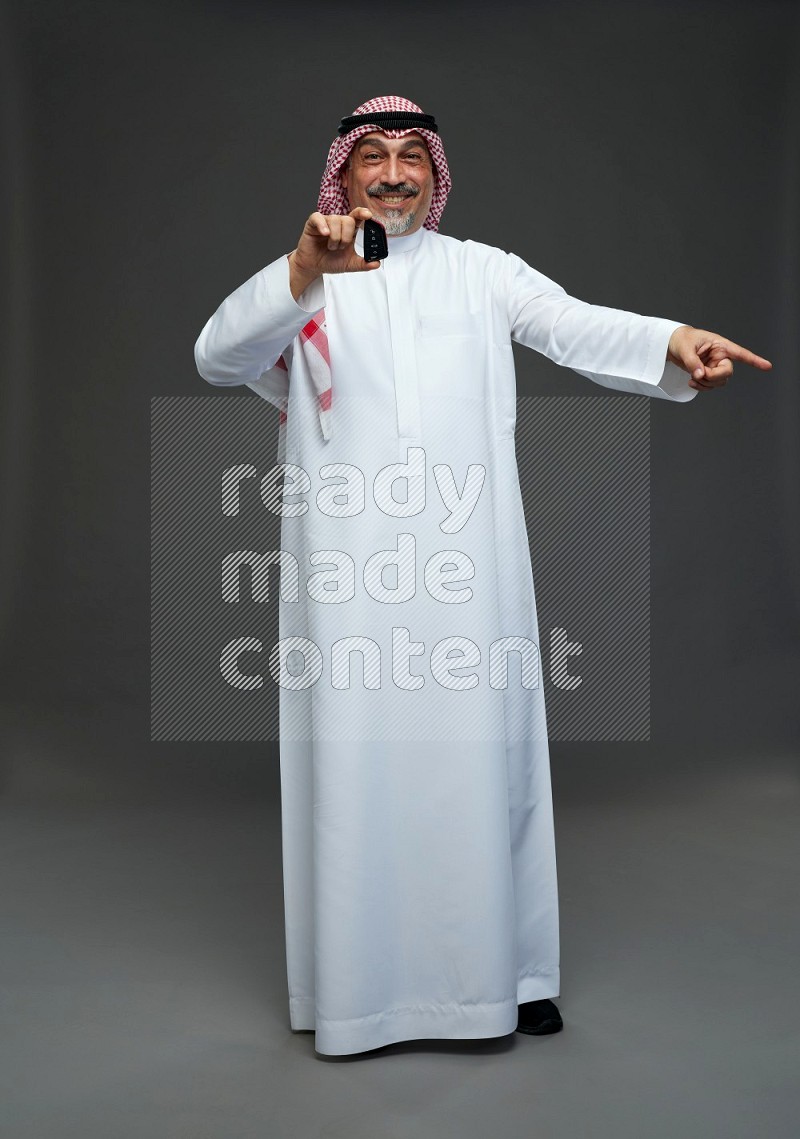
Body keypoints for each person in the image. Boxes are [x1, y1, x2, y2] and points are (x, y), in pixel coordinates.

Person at [194, 95, 772, 1056]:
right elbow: (219, 356)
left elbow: (575, 325)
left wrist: (670, 341)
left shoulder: (482, 272)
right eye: (371, 156)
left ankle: (508, 976)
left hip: (471, 569)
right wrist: (303, 271)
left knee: (486, 761)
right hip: (350, 576)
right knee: (361, 764)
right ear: (341, 174)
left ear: (435, 173)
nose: (390, 173)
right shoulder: (306, 275)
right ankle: (359, 994)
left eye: (410, 156)